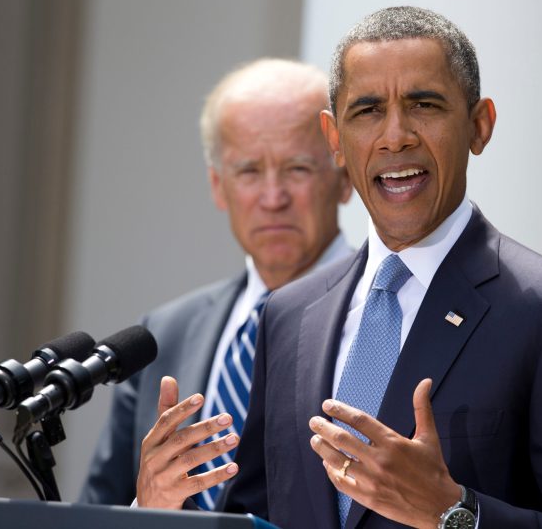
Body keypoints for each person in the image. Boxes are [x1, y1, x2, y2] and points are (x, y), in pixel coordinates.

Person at [137, 6, 542, 528]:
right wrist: (155, 509)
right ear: (334, 139)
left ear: (479, 124)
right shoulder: (289, 315)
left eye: (424, 104)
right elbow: (257, 516)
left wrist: (454, 514)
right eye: (367, 110)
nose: (395, 135)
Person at [79, 58, 353, 507]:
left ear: (344, 178)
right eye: (248, 171)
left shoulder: (384, 316)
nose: (272, 198)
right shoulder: (164, 334)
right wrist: (147, 508)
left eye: (298, 169)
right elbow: (98, 507)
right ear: (217, 185)